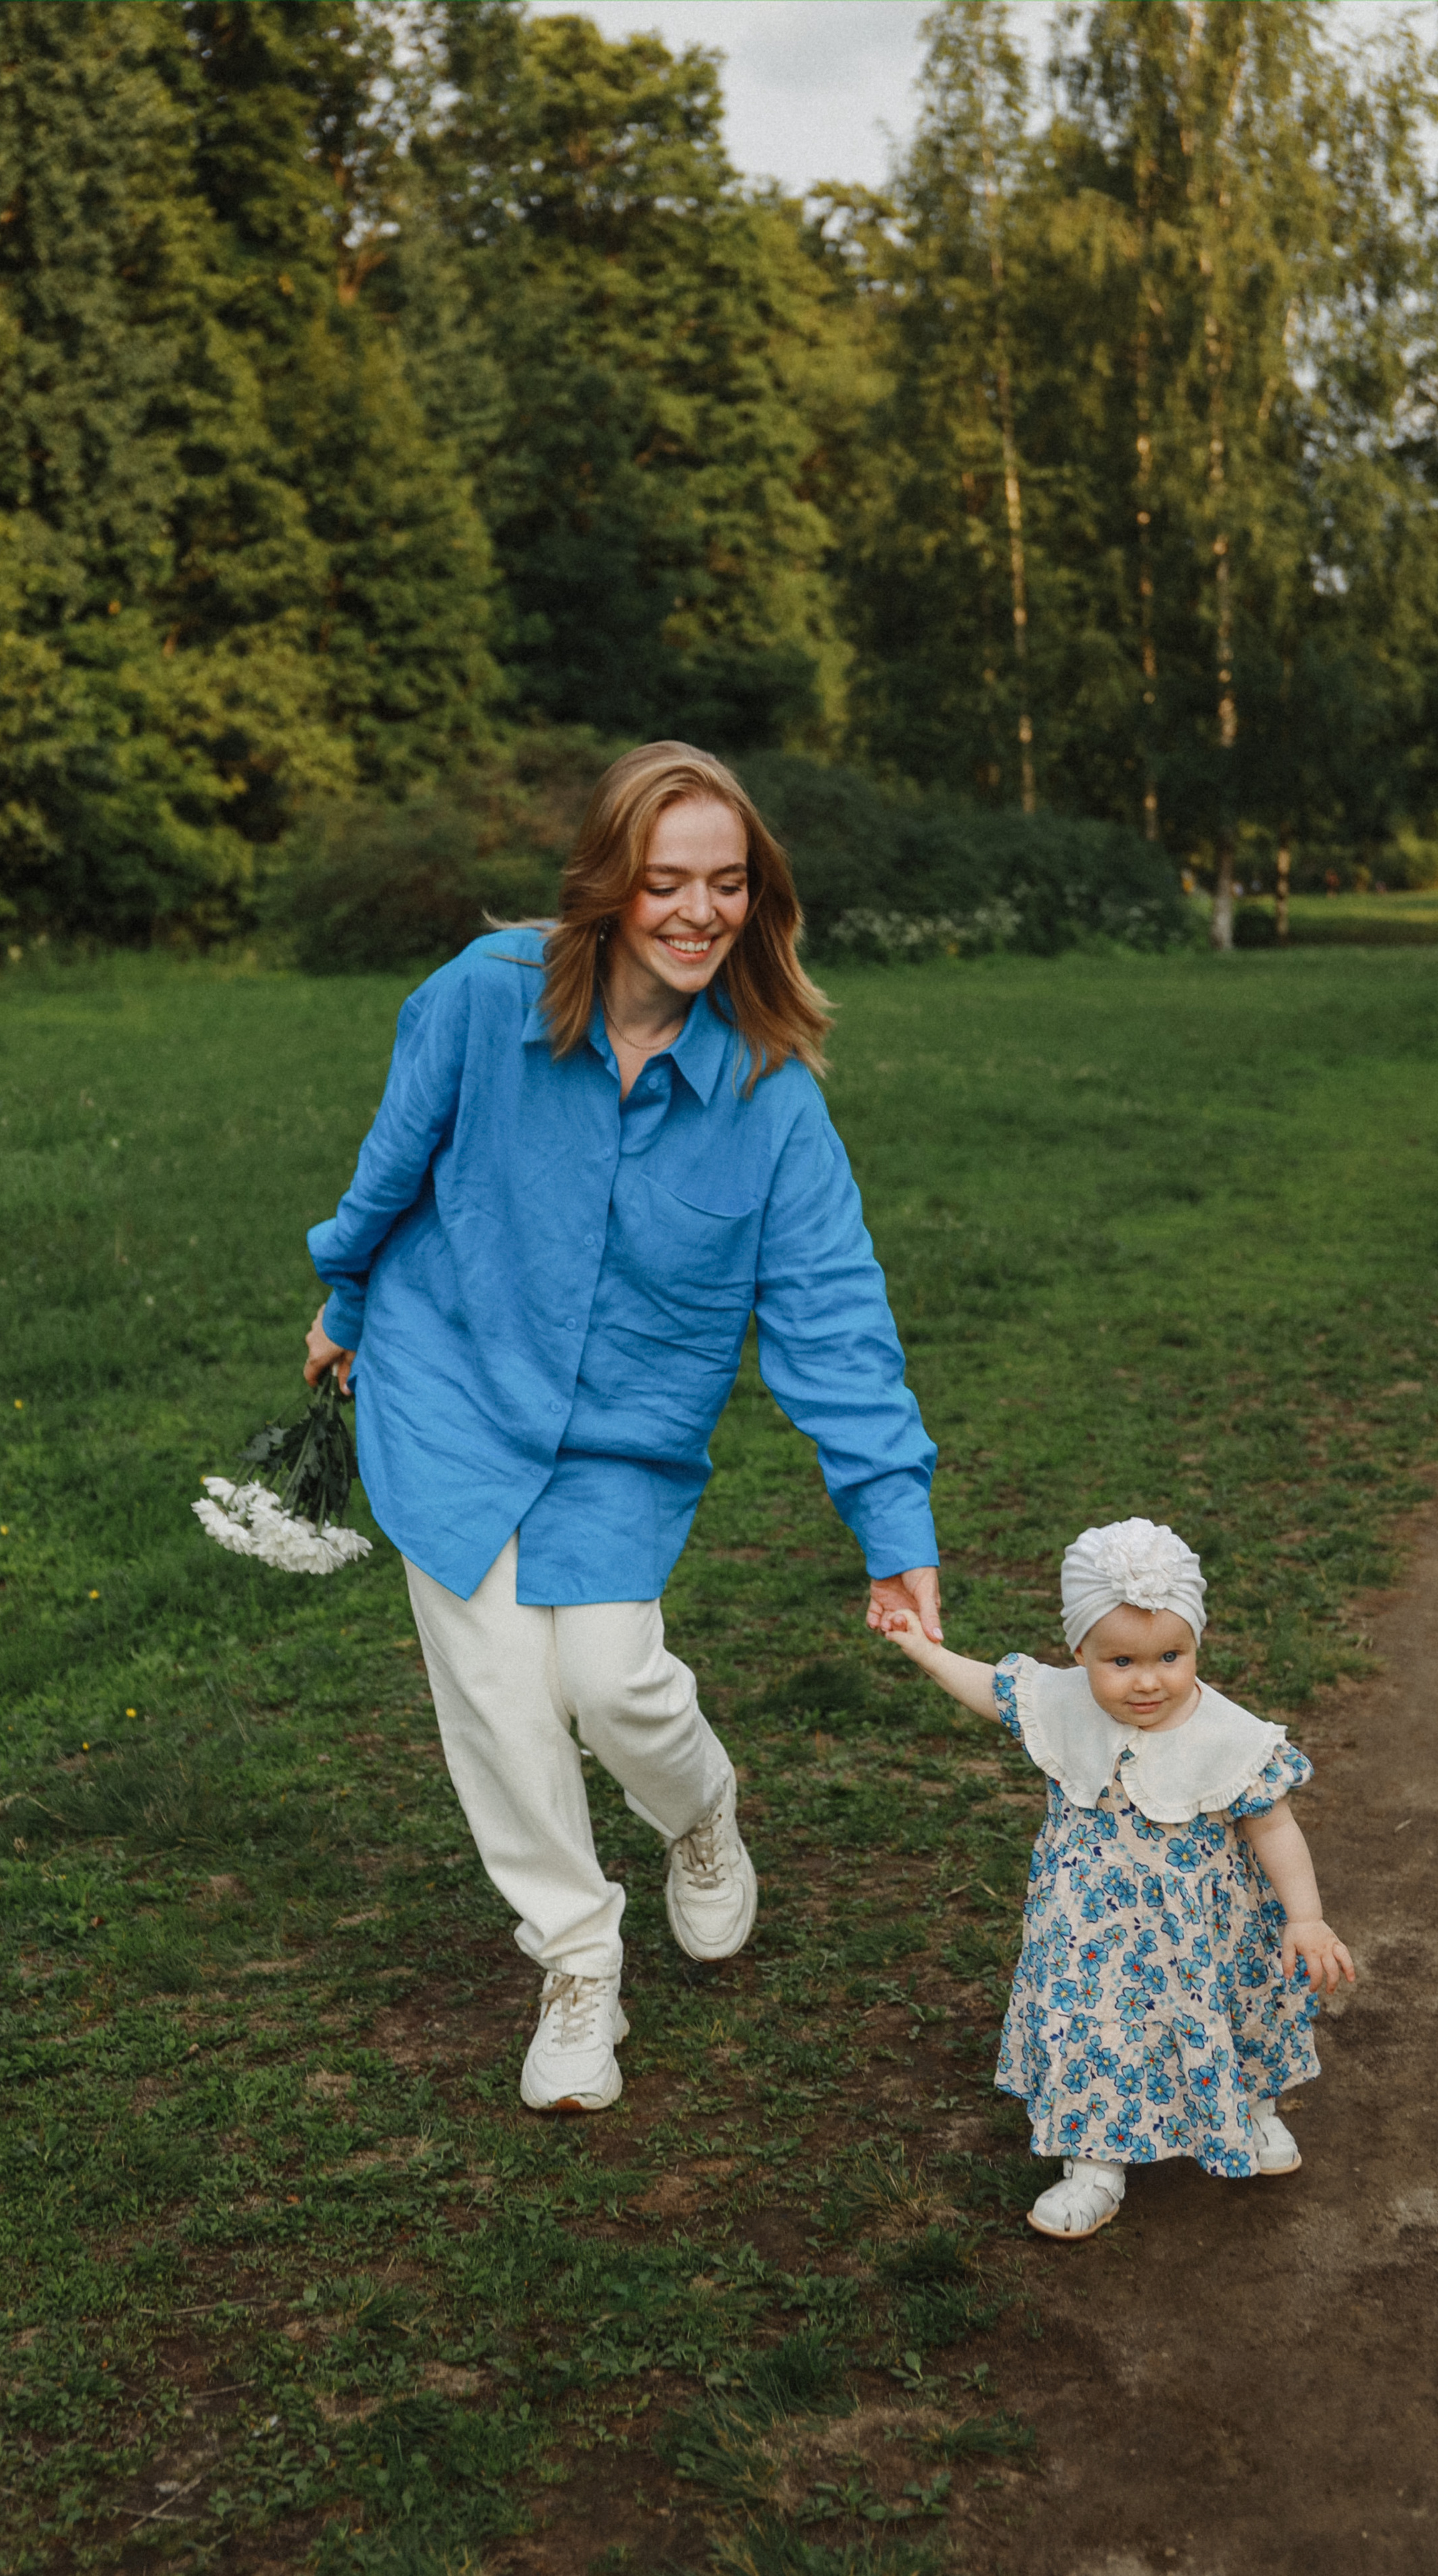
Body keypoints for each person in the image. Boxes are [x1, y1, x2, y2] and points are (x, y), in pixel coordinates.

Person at [303, 742, 941, 2114]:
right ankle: (576, 1962)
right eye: (666, 883)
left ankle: (698, 1811)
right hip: (448, 1387)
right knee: (497, 1703)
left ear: (756, 896)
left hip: (621, 1440)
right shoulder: (481, 1001)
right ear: (607, 886)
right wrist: (346, 1294)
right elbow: (392, 1158)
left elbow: (831, 1319)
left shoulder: (772, 1102)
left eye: (726, 884)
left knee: (607, 1681)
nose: (697, 912)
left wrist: (890, 1525)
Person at [876, 1516, 1355, 2239]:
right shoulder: (1063, 1702)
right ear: (1079, 1651)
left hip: (1201, 1930)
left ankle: (1247, 2110)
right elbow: (991, 1688)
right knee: (1094, 2030)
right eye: (1120, 1662)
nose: (1149, 1681)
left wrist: (1305, 1916)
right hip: (1089, 1929)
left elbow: (1273, 1824)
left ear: (1196, 1643)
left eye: (1171, 1655)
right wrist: (918, 1645)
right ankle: (1095, 2164)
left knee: (1231, 2006)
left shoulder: (1227, 1733)